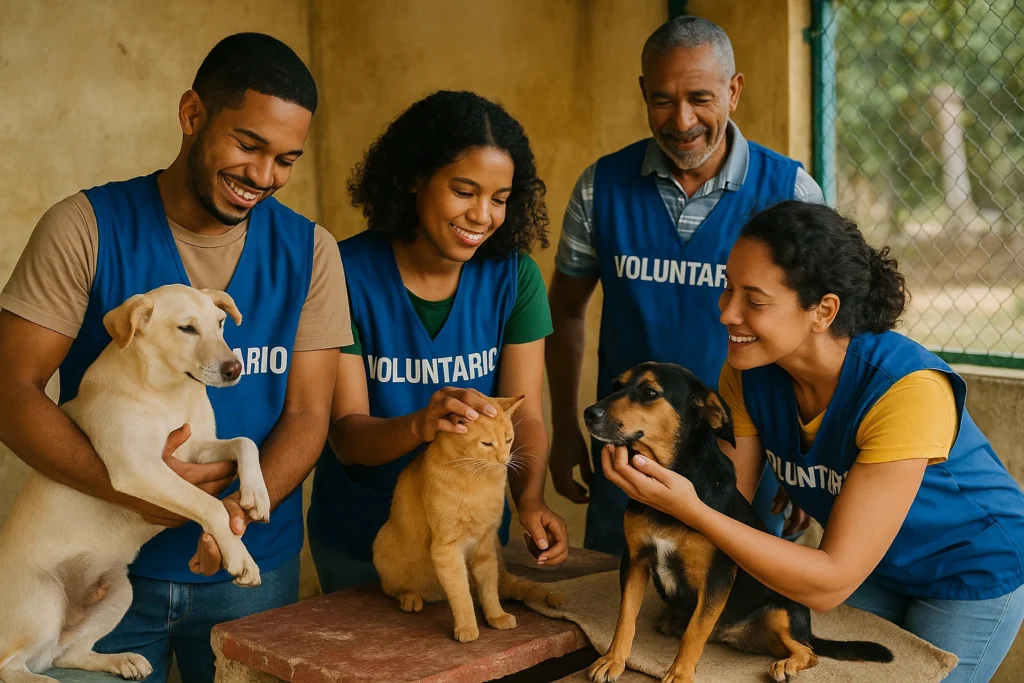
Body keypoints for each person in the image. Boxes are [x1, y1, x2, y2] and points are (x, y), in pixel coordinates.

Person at [0, 33, 351, 683]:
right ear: (192, 116)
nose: (264, 176)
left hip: (250, 571)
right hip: (96, 573)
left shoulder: (312, 252)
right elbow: (9, 387)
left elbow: (308, 414)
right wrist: (138, 491)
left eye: (287, 159)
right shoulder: (85, 227)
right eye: (248, 145)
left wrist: (231, 523)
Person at [601, 200, 1024, 682]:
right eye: (727, 289)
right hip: (875, 567)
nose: (726, 314)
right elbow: (725, 494)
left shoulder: (906, 391)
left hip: (967, 572)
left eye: (754, 301)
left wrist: (689, 508)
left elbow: (823, 585)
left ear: (823, 310)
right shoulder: (751, 371)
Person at [546, 15, 824, 555]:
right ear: (643, 94)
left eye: (700, 97)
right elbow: (566, 312)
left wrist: (807, 457)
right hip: (630, 455)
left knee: (733, 615)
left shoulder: (789, 191)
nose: (682, 119)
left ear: (733, 91)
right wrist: (562, 428)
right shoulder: (599, 188)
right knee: (617, 610)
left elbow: (822, 334)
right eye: (662, 101)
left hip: (747, 453)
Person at [306, 91, 569, 592]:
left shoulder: (516, 279)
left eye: (500, 198)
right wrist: (420, 425)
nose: (482, 215)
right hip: (363, 543)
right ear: (412, 178)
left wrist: (530, 498)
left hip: (472, 542)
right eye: (464, 191)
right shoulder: (342, 272)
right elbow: (346, 436)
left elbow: (527, 414)